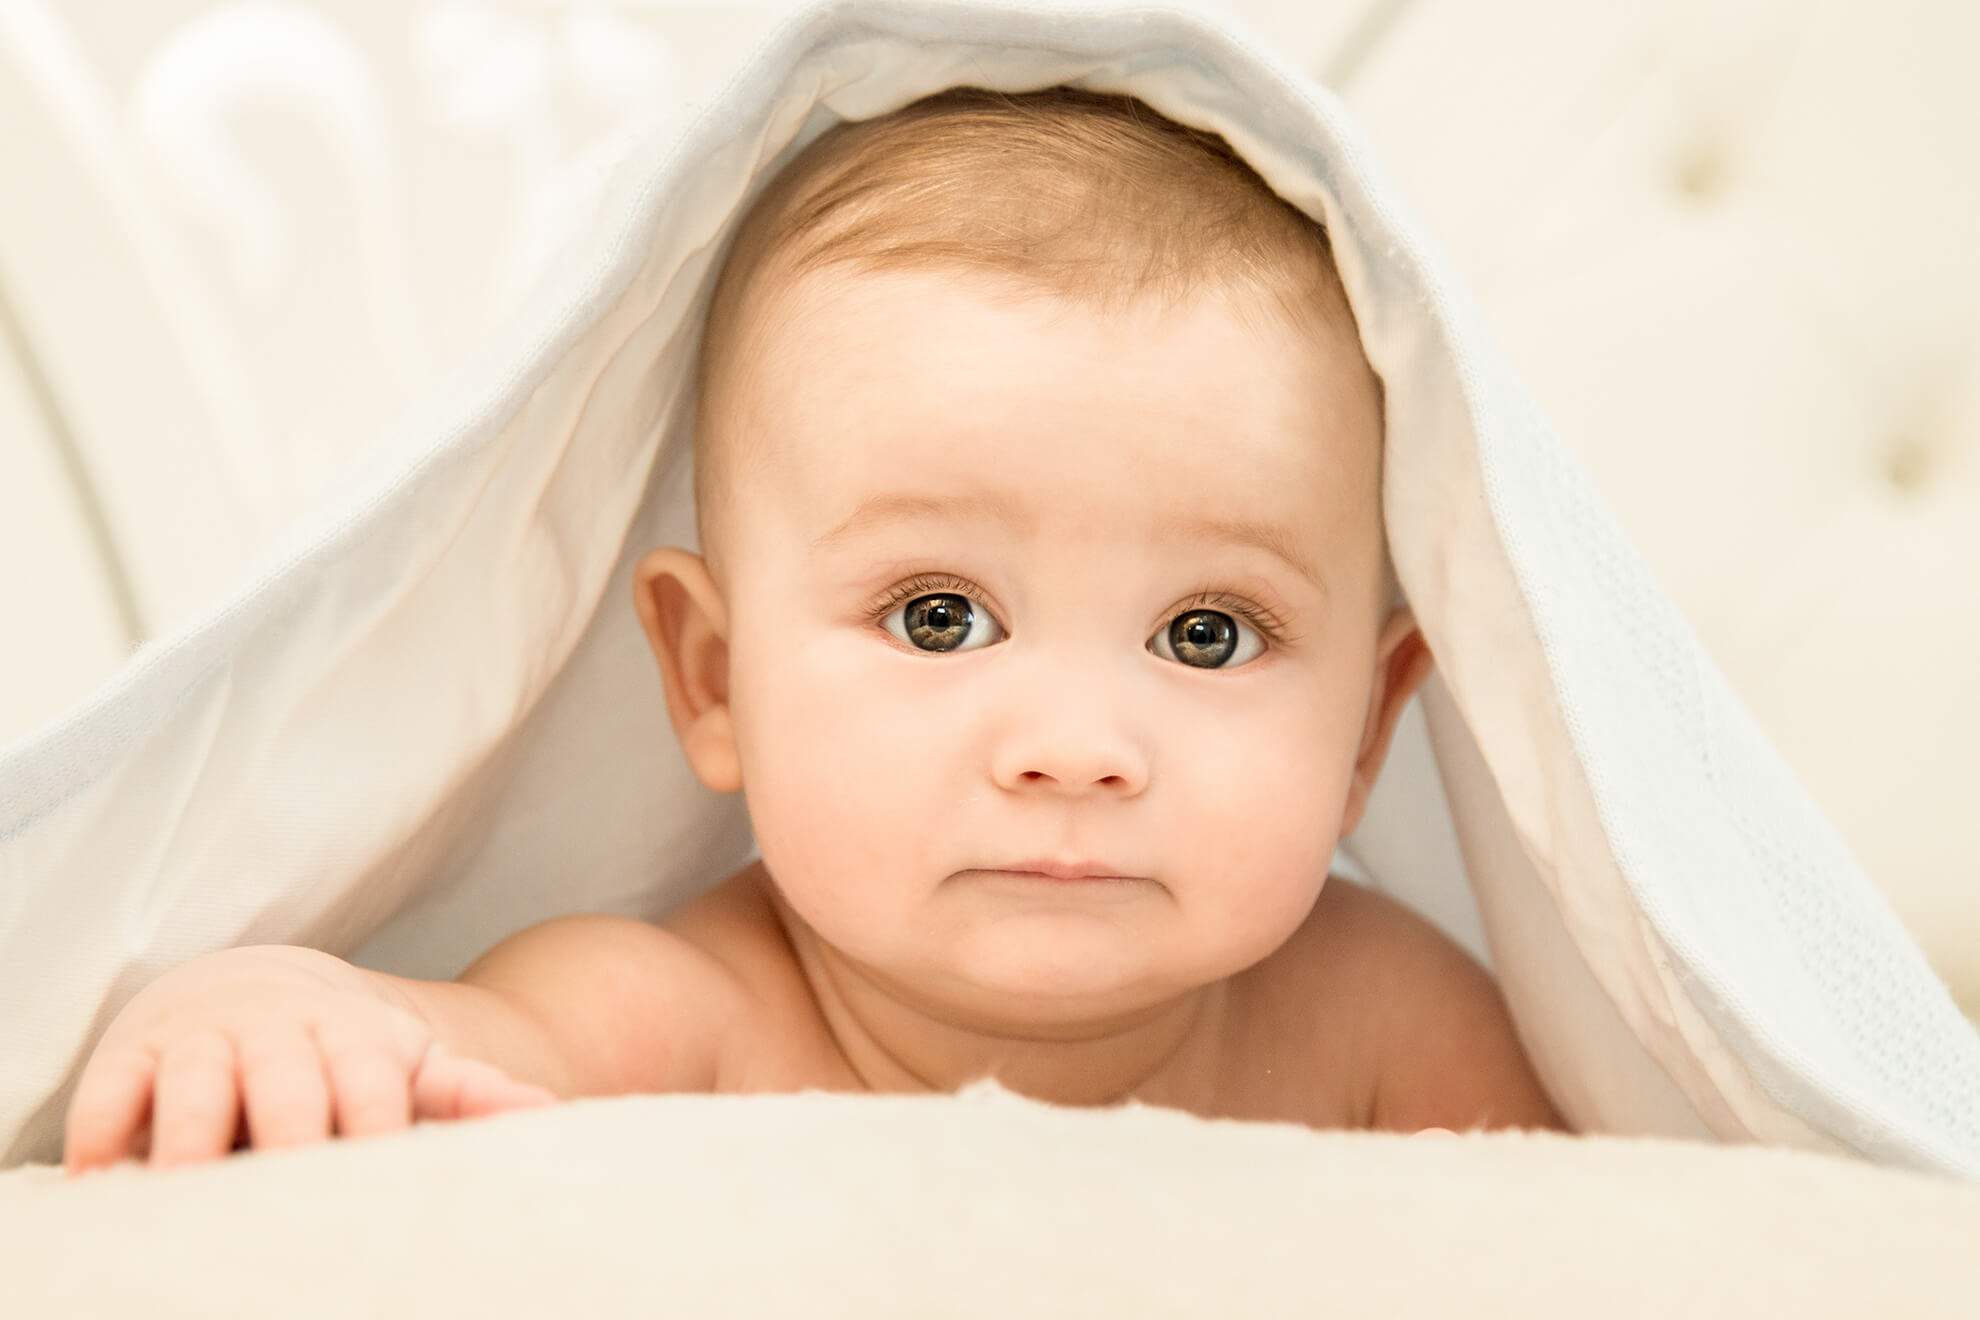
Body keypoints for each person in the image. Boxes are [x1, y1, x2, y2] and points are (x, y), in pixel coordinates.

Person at [63, 87, 1562, 1173]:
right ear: (715, 678)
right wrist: (264, 1001)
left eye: (1208, 636)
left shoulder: (1391, 1029)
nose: (1074, 751)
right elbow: (426, 1049)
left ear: (1367, 729)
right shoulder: (680, 1020)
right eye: (938, 615)